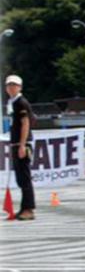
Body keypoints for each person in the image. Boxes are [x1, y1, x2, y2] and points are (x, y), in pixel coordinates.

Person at [5, 74, 35, 220]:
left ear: (20, 87)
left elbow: (26, 123)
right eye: (9, 85)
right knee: (20, 179)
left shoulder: (21, 102)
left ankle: (29, 209)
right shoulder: (11, 102)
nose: (11, 87)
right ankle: (24, 207)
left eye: (14, 85)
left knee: (25, 177)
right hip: (15, 143)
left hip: (22, 144)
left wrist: (22, 145)